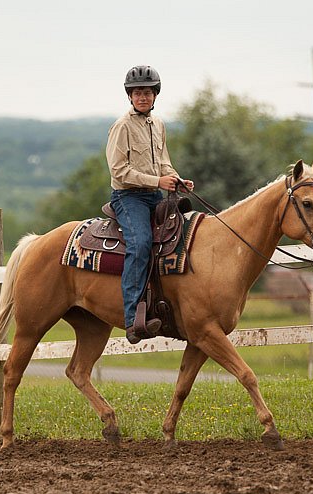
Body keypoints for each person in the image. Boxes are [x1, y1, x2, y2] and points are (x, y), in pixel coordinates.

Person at [106, 65, 194, 344]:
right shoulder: (122, 127)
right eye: (137, 93)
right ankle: (132, 319)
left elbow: (164, 162)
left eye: (147, 92)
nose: (142, 97)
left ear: (155, 96)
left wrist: (176, 179)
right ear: (129, 96)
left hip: (155, 193)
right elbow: (118, 171)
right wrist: (158, 183)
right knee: (141, 243)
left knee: (186, 234)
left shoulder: (158, 125)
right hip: (128, 197)